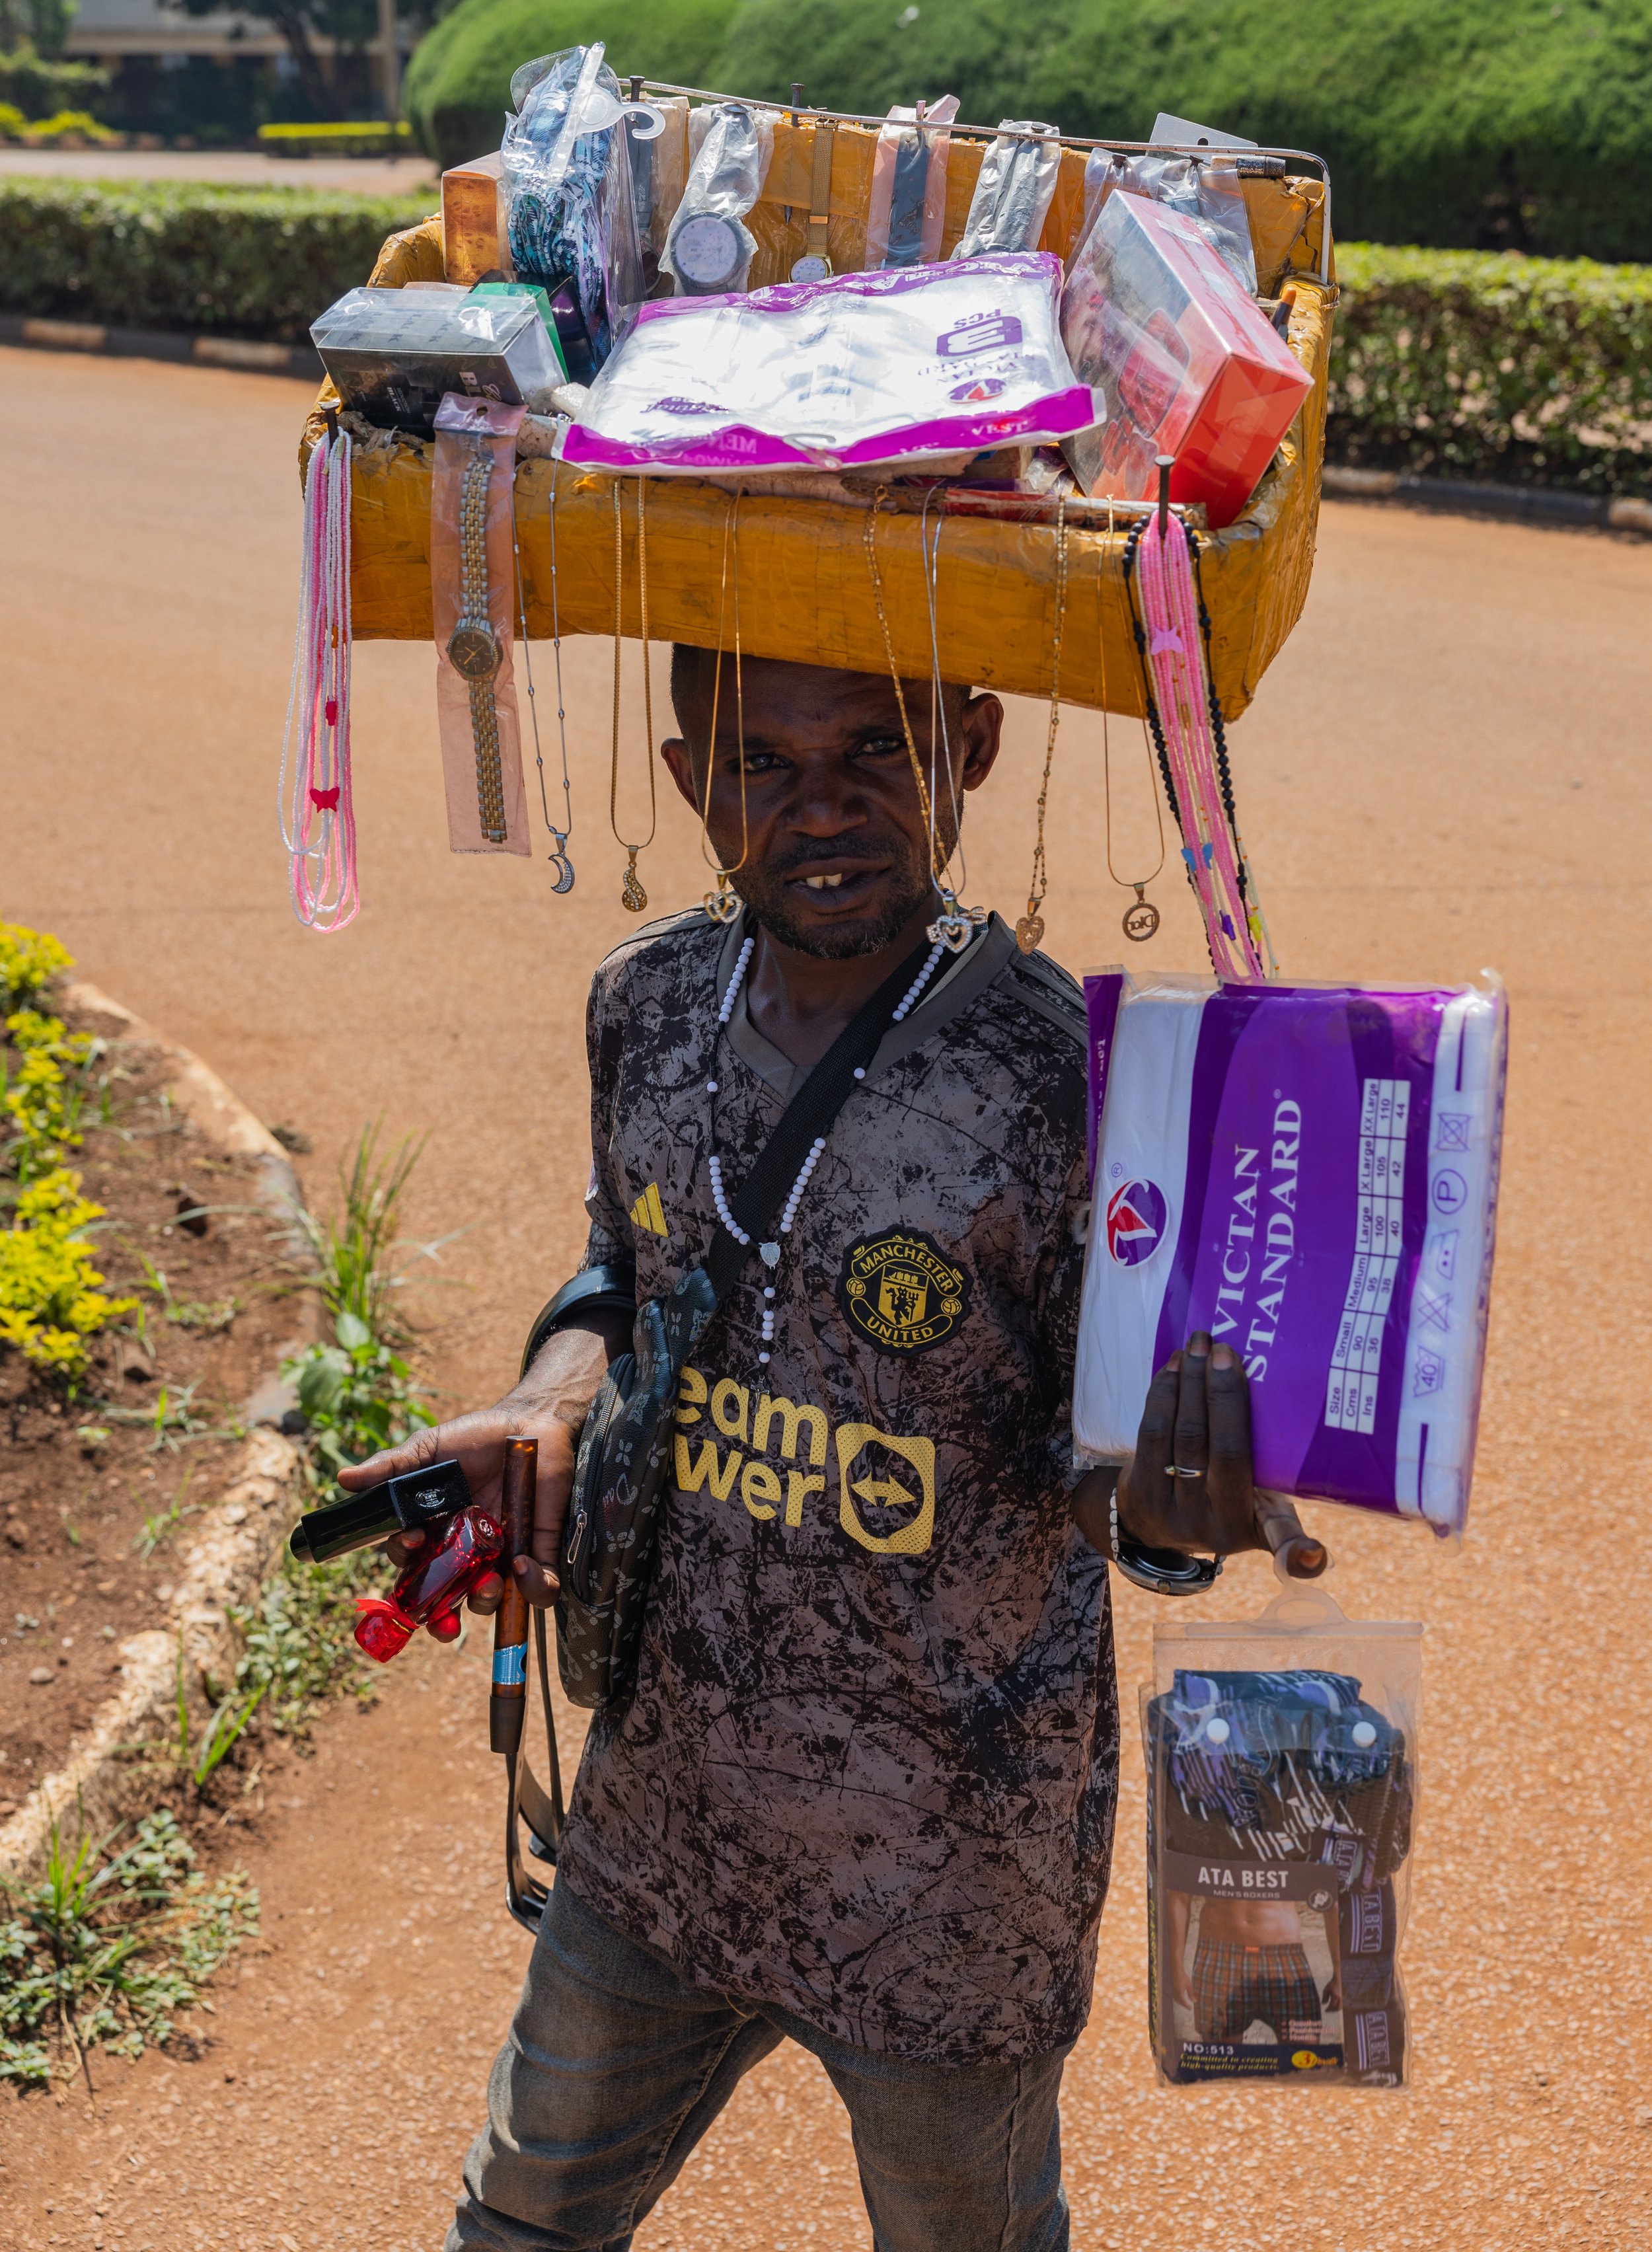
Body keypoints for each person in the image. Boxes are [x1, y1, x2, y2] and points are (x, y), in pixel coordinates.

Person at [342, 650, 1283, 2252]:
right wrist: (550, 1399)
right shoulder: (640, 1000)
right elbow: (619, 1269)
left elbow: (1105, 1454)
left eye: (875, 748)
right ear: (691, 776)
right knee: (518, 2216)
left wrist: (1169, 1506)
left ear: (970, 746)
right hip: (665, 1814)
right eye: (762, 763)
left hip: (945, 1869)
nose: (822, 803)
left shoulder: (1068, 1076)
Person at [1168, 1891, 1339, 2046]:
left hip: (1284, 1955)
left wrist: (1340, 1973)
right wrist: (1176, 1970)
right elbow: (1179, 1895)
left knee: (1305, 2051)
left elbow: (1331, 1895)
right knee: (1222, 2060)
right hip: (1221, 1954)